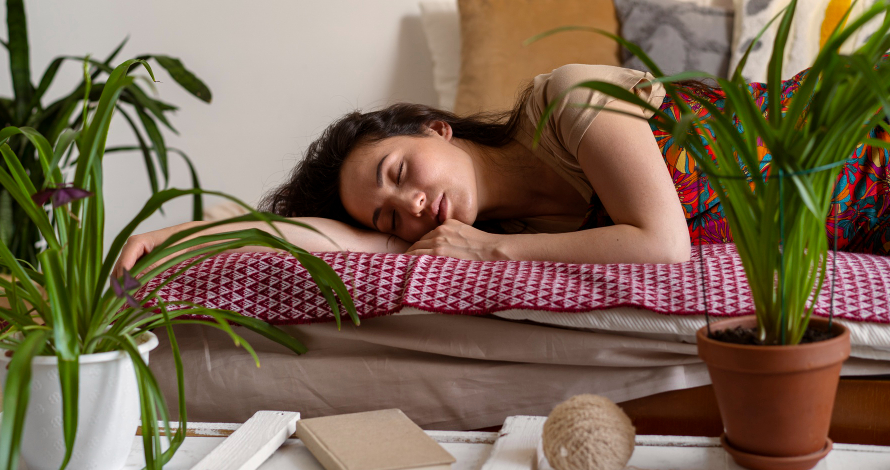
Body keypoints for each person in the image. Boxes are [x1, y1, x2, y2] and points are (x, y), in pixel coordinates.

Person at [113, 63, 890, 278]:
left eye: (397, 170)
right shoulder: (511, 228)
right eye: (388, 214)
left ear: (437, 127)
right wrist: (186, 232)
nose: (410, 206)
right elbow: (324, 240)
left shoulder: (565, 101)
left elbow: (662, 242)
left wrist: (488, 251)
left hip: (868, 133)